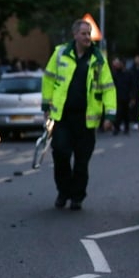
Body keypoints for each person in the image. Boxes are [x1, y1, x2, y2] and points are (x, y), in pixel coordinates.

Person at [41, 18, 116, 210]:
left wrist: (110, 115)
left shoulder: (98, 59)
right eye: (83, 33)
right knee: (61, 155)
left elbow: (108, 88)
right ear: (74, 35)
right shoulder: (60, 53)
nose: (87, 37)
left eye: (89, 33)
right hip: (63, 118)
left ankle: (77, 197)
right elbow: (48, 79)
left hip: (86, 120)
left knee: (82, 162)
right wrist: (45, 105)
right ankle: (63, 192)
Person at [111, 57, 134, 135]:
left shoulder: (128, 73)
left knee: (126, 113)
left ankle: (126, 128)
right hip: (118, 96)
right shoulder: (115, 74)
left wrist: (132, 97)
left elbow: (132, 85)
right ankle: (116, 128)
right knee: (118, 113)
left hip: (126, 96)